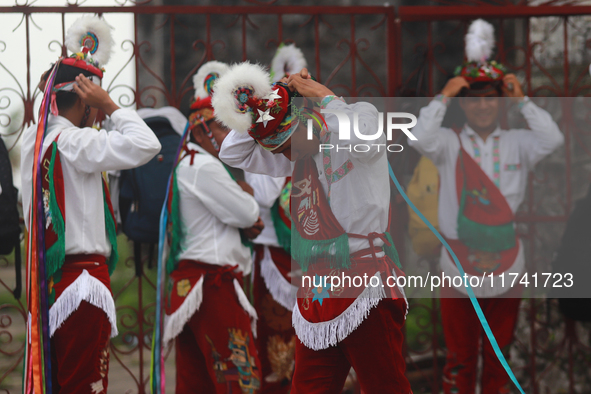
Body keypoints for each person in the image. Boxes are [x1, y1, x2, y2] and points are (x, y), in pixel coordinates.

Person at [214, 62, 411, 394]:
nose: (285, 153)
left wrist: (324, 96)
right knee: (307, 388)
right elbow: (232, 152)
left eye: (288, 141)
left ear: (305, 123)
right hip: (317, 287)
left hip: (364, 278)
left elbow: (371, 140)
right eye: (279, 146)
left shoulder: (357, 119)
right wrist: (273, 96)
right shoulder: (300, 152)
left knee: (385, 386)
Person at [408, 19, 564, 394]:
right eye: (474, 98)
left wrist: (521, 99)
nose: (482, 106)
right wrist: (445, 94)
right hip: (457, 259)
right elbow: (418, 136)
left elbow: (553, 137)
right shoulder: (447, 143)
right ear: (465, 103)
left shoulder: (518, 143)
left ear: (499, 100)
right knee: (460, 355)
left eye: (490, 97)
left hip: (507, 258)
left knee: (498, 354)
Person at [21, 16, 161, 393]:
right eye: (94, 108)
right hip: (82, 285)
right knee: (82, 386)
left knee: (60, 383)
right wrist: (111, 104)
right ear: (84, 103)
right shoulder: (75, 144)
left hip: (49, 285)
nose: (98, 117)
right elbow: (148, 145)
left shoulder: (36, 144)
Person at [160, 60, 263, 394]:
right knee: (240, 378)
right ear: (202, 128)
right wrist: (246, 201)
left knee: (196, 383)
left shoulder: (187, 162)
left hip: (189, 287)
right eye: (224, 128)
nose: (232, 136)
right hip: (211, 287)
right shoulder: (203, 165)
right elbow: (248, 214)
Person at [246, 43, 307, 393]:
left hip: (314, 250)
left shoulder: (321, 145)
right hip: (275, 250)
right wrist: (267, 134)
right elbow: (266, 196)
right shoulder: (271, 143)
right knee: (278, 338)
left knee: (316, 339)